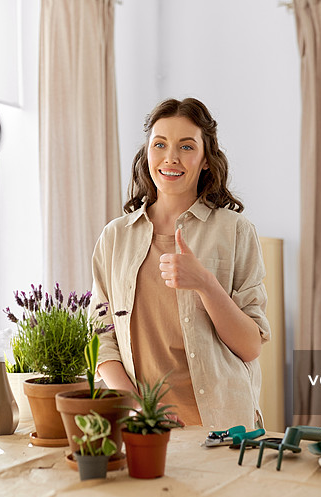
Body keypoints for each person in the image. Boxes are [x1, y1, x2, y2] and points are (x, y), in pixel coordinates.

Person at [91, 97, 271, 429]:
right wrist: (137, 408)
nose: (171, 157)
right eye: (160, 144)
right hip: (144, 427)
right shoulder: (115, 237)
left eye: (186, 147)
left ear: (206, 160)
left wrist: (205, 283)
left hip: (223, 426)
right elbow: (100, 338)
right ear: (147, 154)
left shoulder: (235, 231)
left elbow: (250, 347)